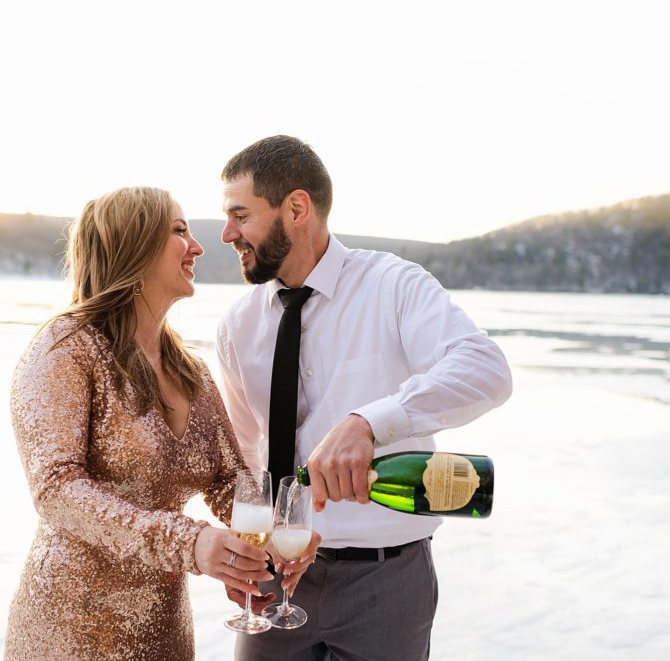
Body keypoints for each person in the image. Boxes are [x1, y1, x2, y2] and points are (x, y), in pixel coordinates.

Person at [216, 136, 513, 660]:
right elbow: (244, 454)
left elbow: (486, 369)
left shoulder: (393, 287)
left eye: (241, 215)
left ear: (297, 208)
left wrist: (368, 423)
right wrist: (241, 550)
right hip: (276, 574)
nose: (227, 233)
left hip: (386, 583)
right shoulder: (237, 327)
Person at [5, 186, 305, 660]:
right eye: (179, 231)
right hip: (71, 626)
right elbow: (57, 490)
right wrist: (192, 542)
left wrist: (269, 543)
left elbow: (231, 481)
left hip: (163, 630)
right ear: (135, 244)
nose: (199, 246)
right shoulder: (66, 349)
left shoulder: (190, 370)